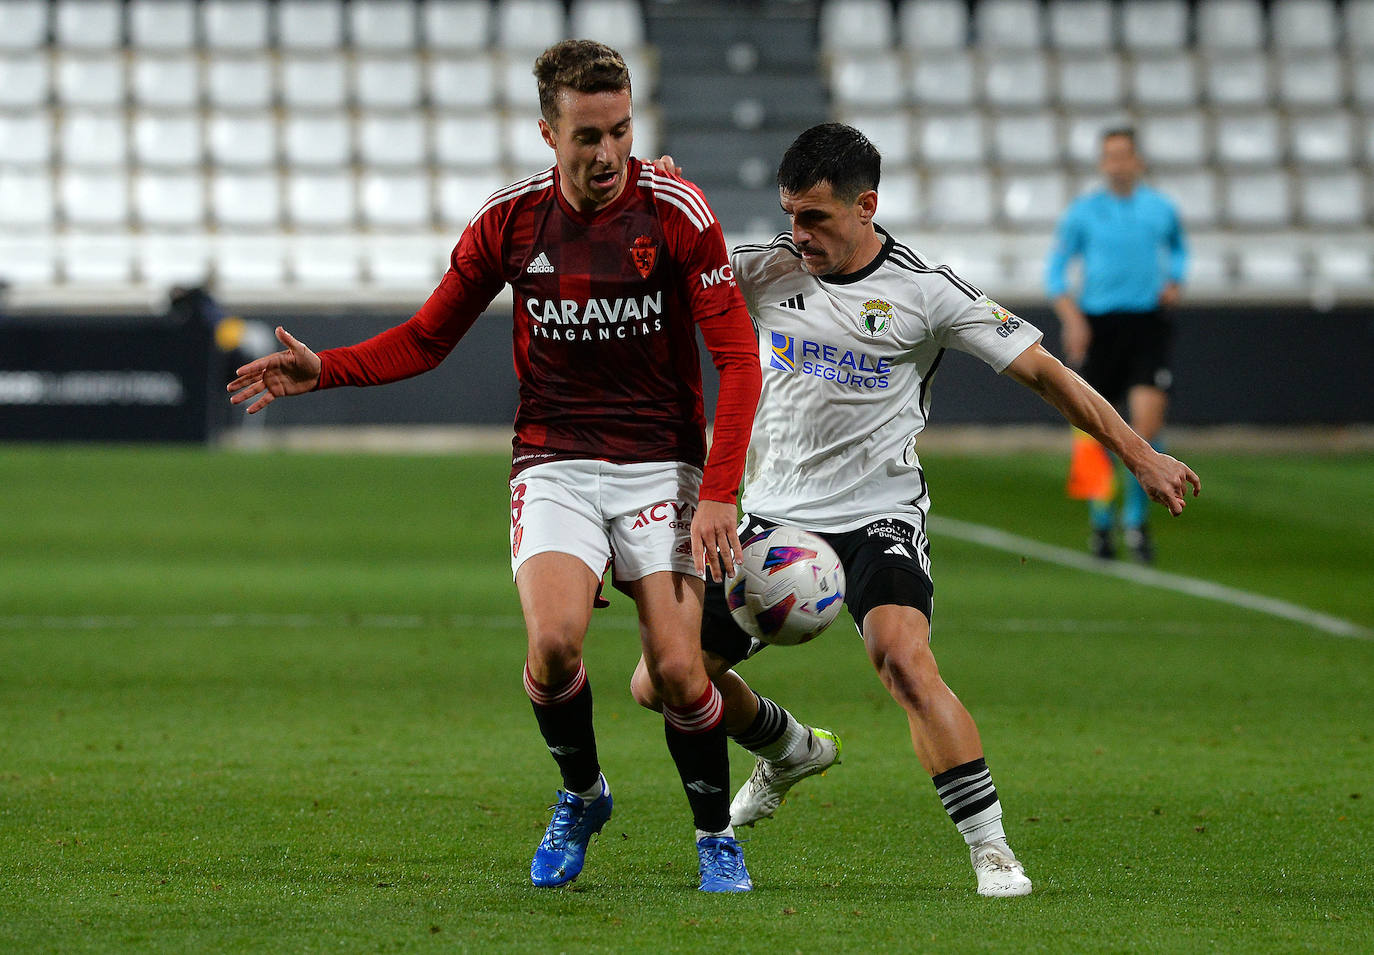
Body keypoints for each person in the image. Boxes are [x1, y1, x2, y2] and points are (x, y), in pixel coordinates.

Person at [226, 40, 762, 893]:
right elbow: (429, 338)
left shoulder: (678, 211)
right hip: (552, 457)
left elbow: (738, 355)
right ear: (547, 132)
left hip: (660, 462)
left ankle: (713, 836)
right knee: (552, 645)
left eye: (620, 131)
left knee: (675, 670)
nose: (607, 154)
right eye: (587, 135)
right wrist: (326, 368)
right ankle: (583, 792)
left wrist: (721, 491)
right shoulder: (510, 221)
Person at [631, 124, 1201, 898]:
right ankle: (791, 745)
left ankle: (992, 850)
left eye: (817, 219)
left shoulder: (926, 292)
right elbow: (653, 277)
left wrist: (1140, 452)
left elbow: (1045, 371)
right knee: (662, 680)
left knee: (903, 658)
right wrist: (655, 205)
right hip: (768, 518)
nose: (799, 235)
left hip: (877, 515)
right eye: (790, 215)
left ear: (867, 206)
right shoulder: (762, 270)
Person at [1045, 127, 1189, 563]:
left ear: (1137, 160)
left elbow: (1179, 251)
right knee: (1092, 429)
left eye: (1124, 155)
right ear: (1102, 163)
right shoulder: (1083, 213)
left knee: (1146, 427)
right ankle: (1101, 524)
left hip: (1146, 323)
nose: (1117, 163)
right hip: (1099, 325)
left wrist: (1175, 282)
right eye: (1109, 156)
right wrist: (1072, 317)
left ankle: (1136, 521)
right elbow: (1056, 270)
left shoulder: (1161, 209)